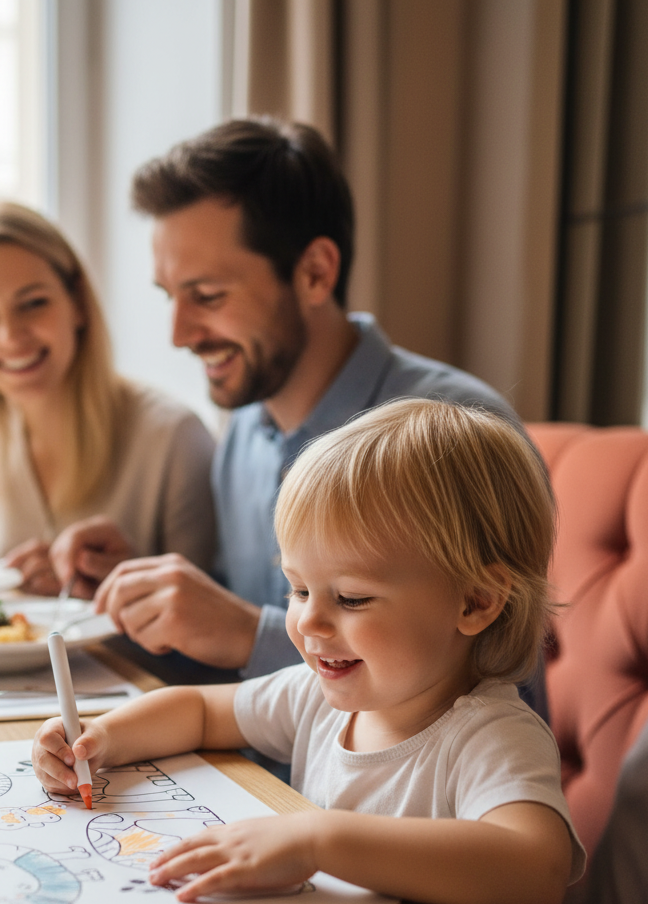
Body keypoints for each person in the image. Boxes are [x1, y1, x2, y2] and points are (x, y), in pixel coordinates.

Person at [34, 399, 585, 904]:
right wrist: (101, 739)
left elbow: (534, 873)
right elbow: (200, 711)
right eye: (298, 590)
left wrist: (318, 840)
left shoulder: (490, 735)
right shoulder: (321, 699)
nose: (310, 622)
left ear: (476, 601)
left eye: (350, 598)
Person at [50, 119, 523, 677]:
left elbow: (498, 681)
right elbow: (234, 654)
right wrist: (136, 598)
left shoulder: (456, 432)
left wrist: (248, 633)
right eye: (171, 297)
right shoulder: (243, 435)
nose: (179, 333)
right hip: (245, 761)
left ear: (316, 274)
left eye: (206, 295)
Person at [0, 202, 216, 593]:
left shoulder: (173, 440)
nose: (11, 338)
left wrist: (111, 586)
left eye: (33, 304)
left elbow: (208, 625)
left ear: (78, 305)